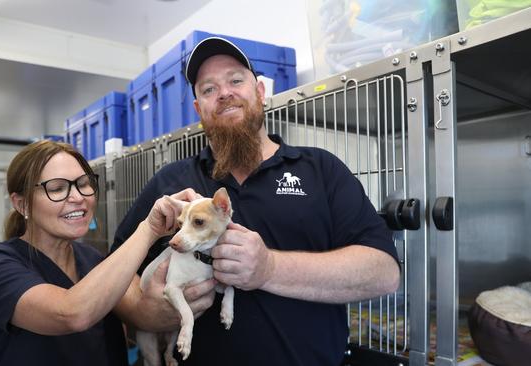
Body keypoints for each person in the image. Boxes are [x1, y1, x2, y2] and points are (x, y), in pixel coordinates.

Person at [110, 37, 401, 366]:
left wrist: (270, 268)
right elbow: (113, 275)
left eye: (235, 80)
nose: (224, 93)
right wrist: (143, 313)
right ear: (198, 110)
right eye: (208, 89)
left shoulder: (321, 170)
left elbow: (385, 272)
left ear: (260, 91)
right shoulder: (171, 184)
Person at [0, 140, 213, 365]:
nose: (78, 197)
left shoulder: (95, 260)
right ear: (22, 204)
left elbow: (144, 311)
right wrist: (149, 229)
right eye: (57, 188)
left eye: (84, 184)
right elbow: (71, 313)